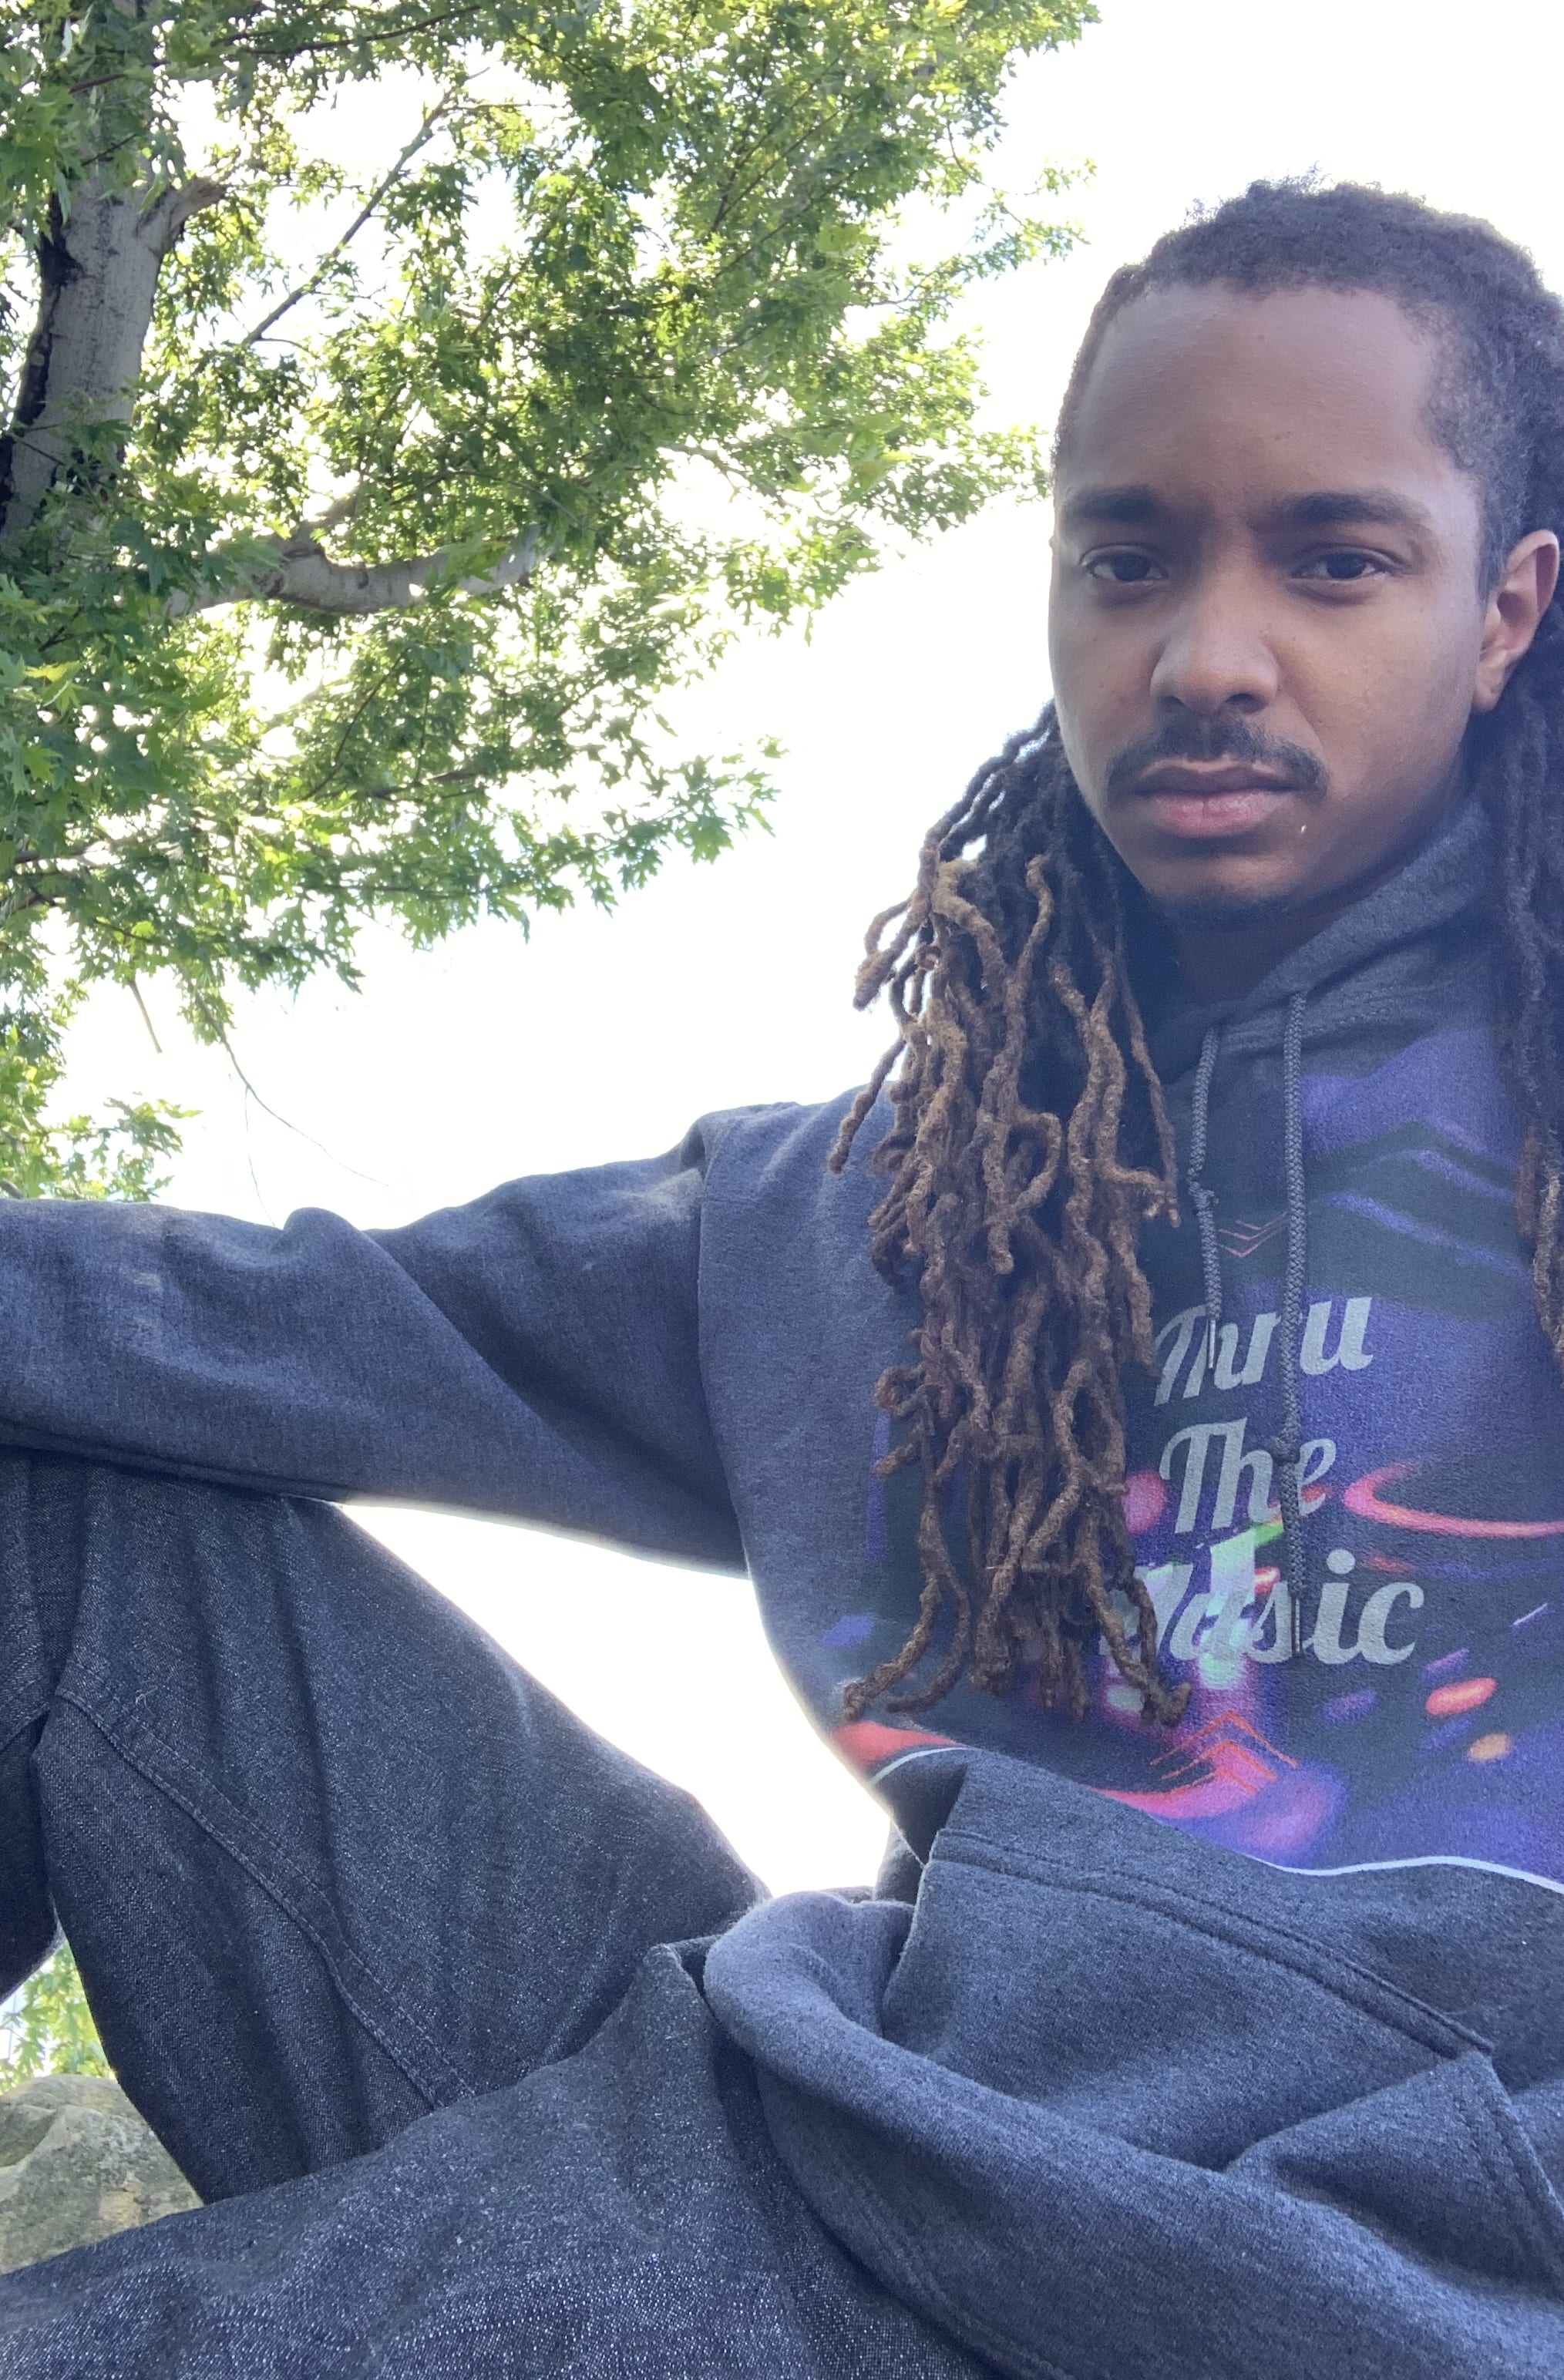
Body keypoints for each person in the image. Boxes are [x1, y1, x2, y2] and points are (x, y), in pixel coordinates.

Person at [2, 175, 1562, 2378]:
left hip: (1364, 2278)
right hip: (847, 2141)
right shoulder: (881, 1207)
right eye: (1128, 559)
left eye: (1334, 560)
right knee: (56, 1524)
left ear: (1506, 609)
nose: (1209, 655)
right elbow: (230, 1323)